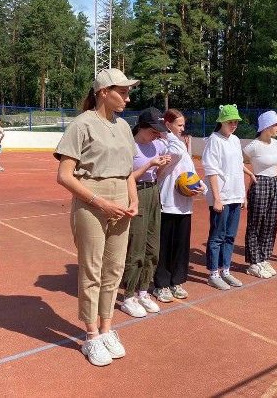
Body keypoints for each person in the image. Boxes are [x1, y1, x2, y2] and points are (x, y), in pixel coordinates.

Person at [54, 68, 139, 367]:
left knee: (114, 269)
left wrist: (134, 199)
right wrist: (100, 202)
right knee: (92, 270)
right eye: (123, 92)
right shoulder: (82, 125)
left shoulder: (124, 127)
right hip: (92, 200)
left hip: (122, 201)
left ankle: (106, 329)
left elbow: (128, 171)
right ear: (104, 92)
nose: (128, 98)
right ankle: (91, 335)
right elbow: (64, 175)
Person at [120, 108, 171, 318]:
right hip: (137, 193)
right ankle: (128, 295)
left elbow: (156, 175)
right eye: (153, 130)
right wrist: (150, 163)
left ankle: (143, 291)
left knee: (153, 246)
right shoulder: (130, 146)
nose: (157, 135)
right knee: (136, 247)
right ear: (142, 127)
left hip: (153, 192)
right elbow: (127, 177)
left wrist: (162, 165)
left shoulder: (157, 145)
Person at [153, 109, 206, 302]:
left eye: (184, 125)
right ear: (167, 125)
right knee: (164, 247)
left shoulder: (180, 144)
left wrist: (202, 186)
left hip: (184, 205)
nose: (183, 129)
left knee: (181, 247)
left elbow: (190, 171)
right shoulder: (162, 144)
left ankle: (176, 281)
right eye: (179, 125)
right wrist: (167, 134)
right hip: (167, 203)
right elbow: (174, 153)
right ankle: (161, 284)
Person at [202, 104, 253, 290]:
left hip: (235, 196)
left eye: (236, 122)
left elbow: (238, 167)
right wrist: (217, 198)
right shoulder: (214, 140)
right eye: (230, 122)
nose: (234, 125)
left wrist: (243, 195)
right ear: (221, 122)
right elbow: (211, 170)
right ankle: (213, 274)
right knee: (217, 236)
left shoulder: (236, 140)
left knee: (230, 236)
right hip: (222, 197)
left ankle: (226, 270)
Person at [243, 110, 277, 279]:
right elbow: (235, 161)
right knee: (256, 223)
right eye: (276, 124)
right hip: (260, 183)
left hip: (275, 184)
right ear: (267, 126)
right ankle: (254, 262)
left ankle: (264, 258)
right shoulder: (252, 146)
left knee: (270, 223)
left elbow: (275, 166)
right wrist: (250, 174)